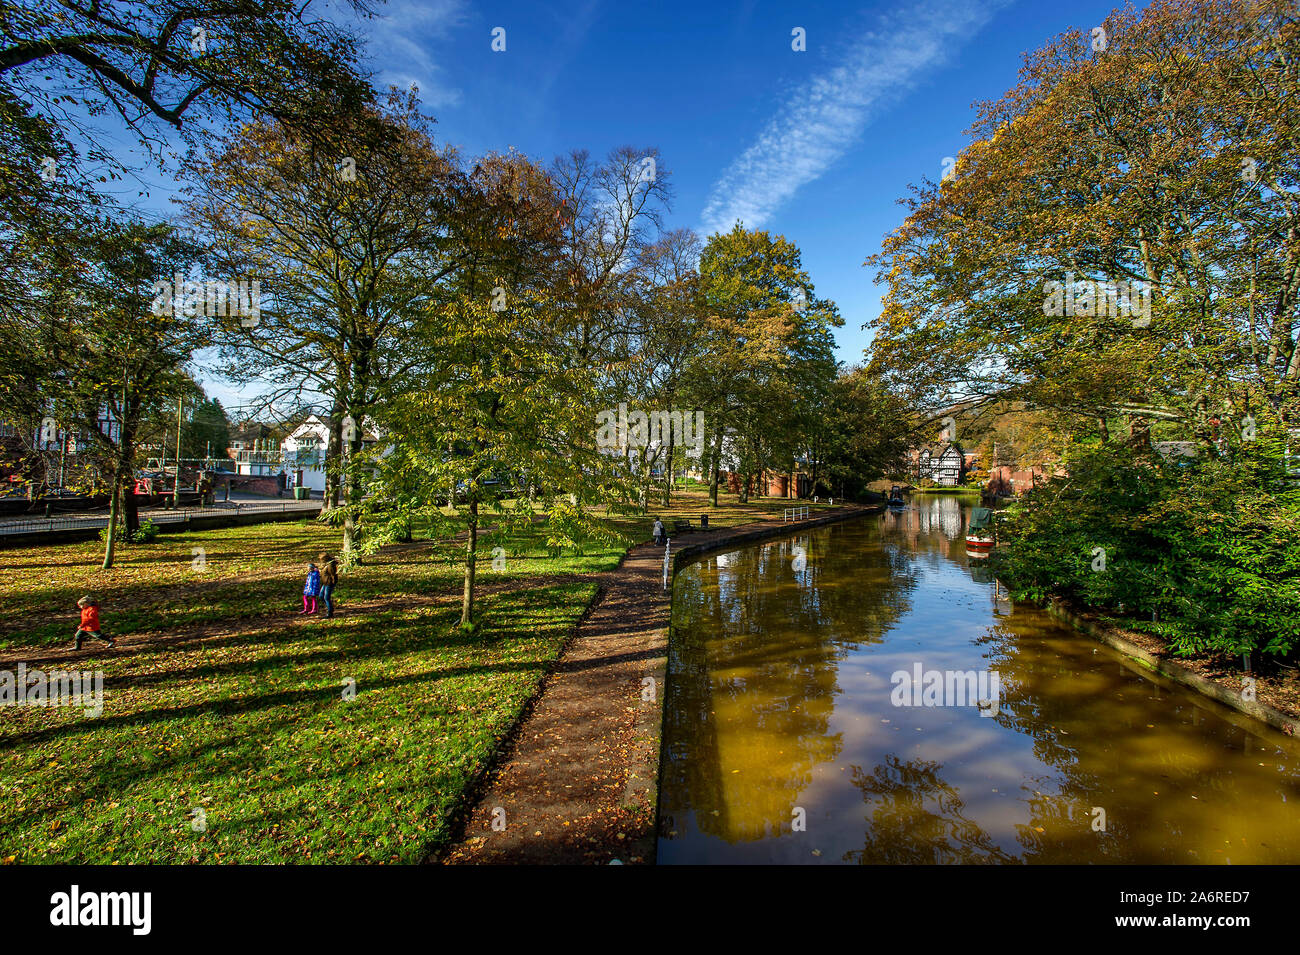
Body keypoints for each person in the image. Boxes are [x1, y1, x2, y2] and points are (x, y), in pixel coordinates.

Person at [318, 553, 338, 618]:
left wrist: (333, 582)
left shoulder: (330, 565)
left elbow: (333, 574)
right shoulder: (326, 564)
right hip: (325, 583)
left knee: (326, 597)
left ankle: (330, 612)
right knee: (321, 596)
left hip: (329, 583)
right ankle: (329, 606)